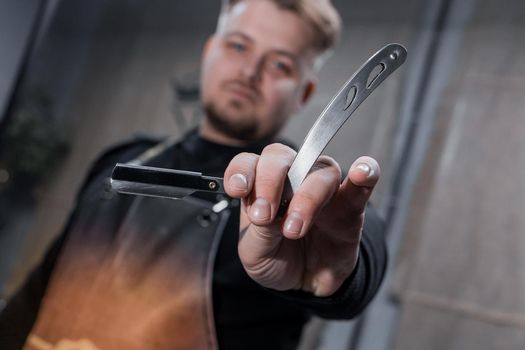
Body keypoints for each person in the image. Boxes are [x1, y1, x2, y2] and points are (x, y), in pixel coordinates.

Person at [0, 0, 387, 349]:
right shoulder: (124, 160)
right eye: (238, 46)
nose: (250, 71)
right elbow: (38, 293)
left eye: (280, 64)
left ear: (304, 93)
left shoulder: (300, 199)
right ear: (209, 52)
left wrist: (337, 273)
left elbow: (358, 252)